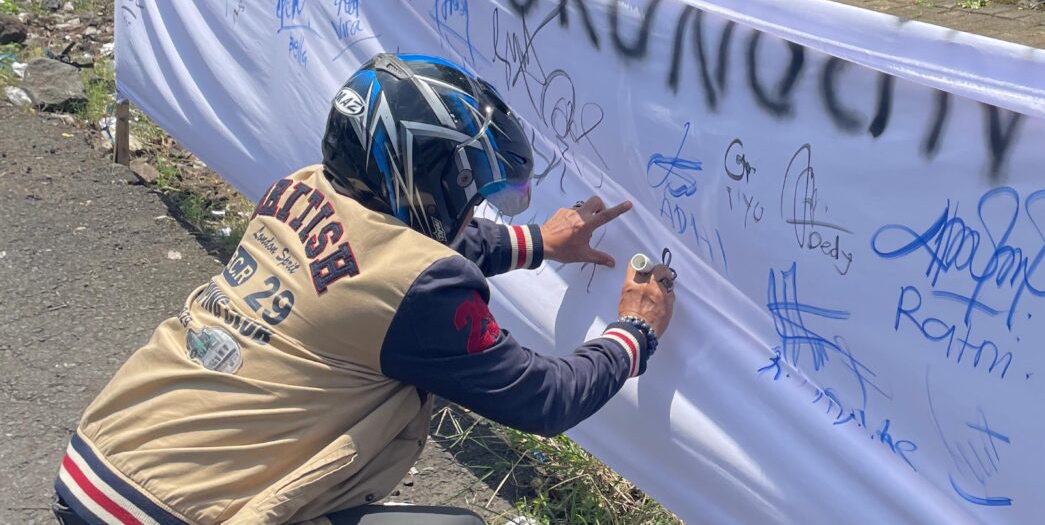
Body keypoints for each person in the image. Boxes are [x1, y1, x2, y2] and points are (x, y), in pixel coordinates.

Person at [52, 53, 677, 525]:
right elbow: (543, 399)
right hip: (168, 512)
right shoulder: (424, 292)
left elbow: (387, 257)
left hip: (100, 459)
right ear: (428, 179)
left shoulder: (296, 189)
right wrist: (635, 332)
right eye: (478, 193)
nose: (477, 211)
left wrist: (536, 241)